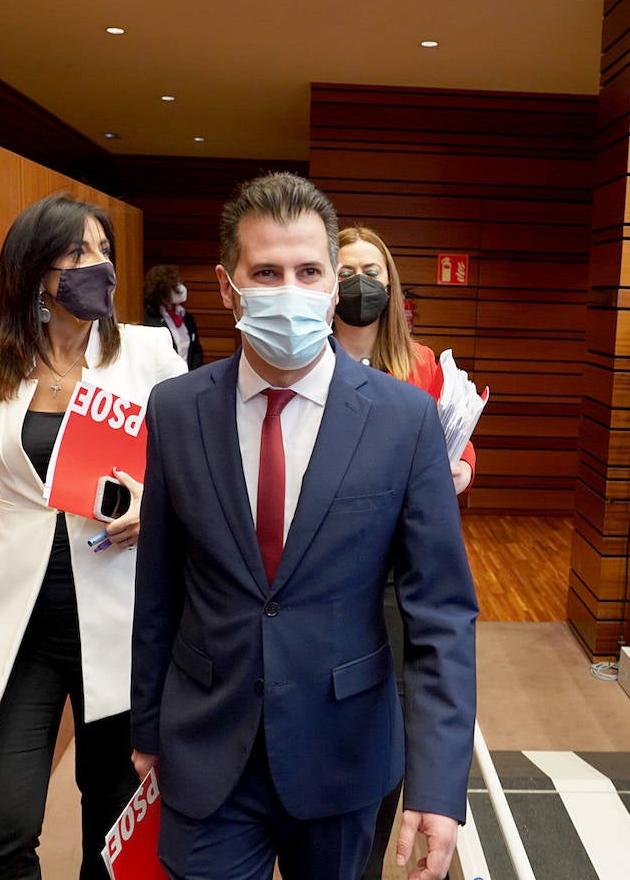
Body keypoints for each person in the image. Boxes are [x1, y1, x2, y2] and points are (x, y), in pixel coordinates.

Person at [131, 172, 478, 880]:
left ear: (331, 285)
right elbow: (159, 584)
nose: (289, 288)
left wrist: (440, 784)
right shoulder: (174, 409)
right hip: (208, 742)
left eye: (308, 270)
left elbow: (440, 612)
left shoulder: (402, 419)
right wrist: (147, 723)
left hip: (344, 751)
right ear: (228, 288)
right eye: (266, 272)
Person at [0, 192, 187, 878]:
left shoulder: (148, 352)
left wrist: (155, 505)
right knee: (0, 827)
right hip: (14, 622)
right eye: (77, 253)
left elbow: (196, 473)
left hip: (121, 618)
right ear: (35, 273)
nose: (96, 265)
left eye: (103, 251)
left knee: (114, 826)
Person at [332, 225, 476, 880]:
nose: (360, 282)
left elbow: (459, 442)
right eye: (347, 269)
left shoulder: (421, 366)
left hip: (403, 564)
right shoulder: (306, 362)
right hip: (332, 568)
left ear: (391, 286)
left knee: (395, 706)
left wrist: (461, 468)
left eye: (373, 270)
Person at [143, 263, 204, 369]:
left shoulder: (187, 317)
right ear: (161, 291)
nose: (180, 288)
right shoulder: (149, 320)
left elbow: (196, 351)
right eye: (174, 285)